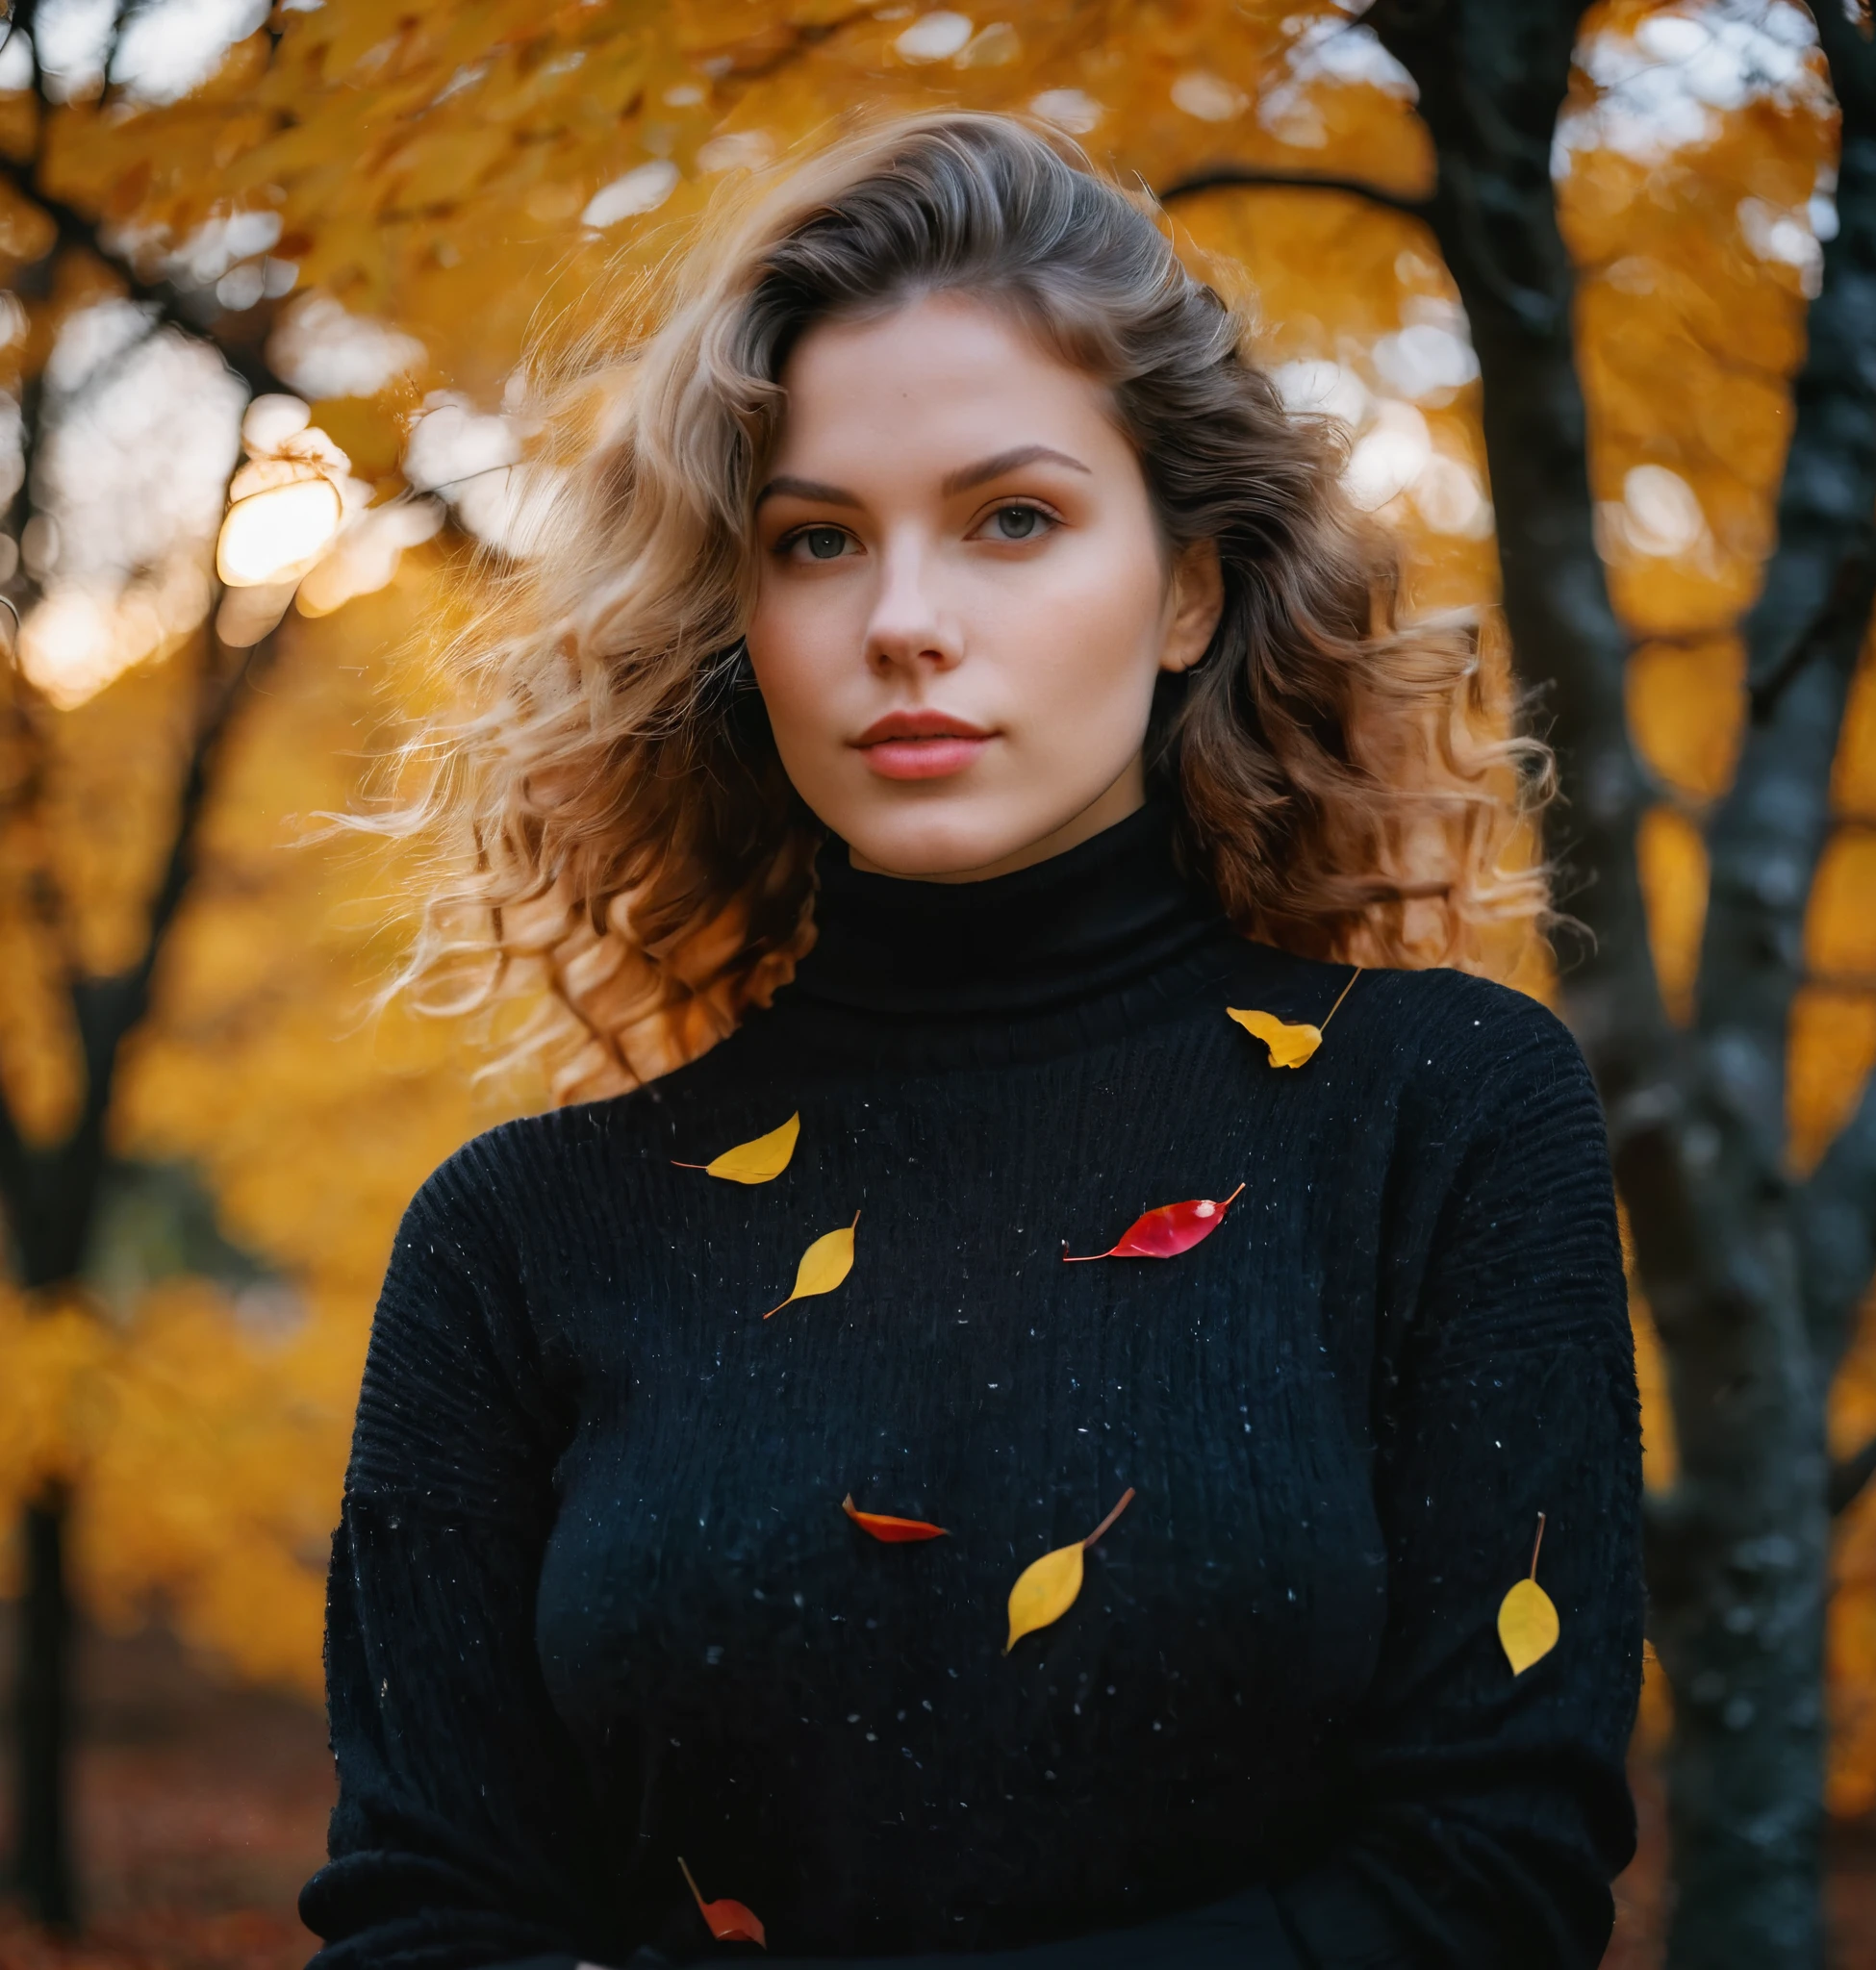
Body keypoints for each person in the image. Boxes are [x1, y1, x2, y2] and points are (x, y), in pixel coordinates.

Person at [300, 111, 1642, 1970]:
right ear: (737, 614)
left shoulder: (1446, 1118)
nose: (905, 623)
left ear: (1186, 588)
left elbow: (1487, 1886)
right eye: (817, 540)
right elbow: (421, 1925)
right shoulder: (518, 1243)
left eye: (1013, 519)